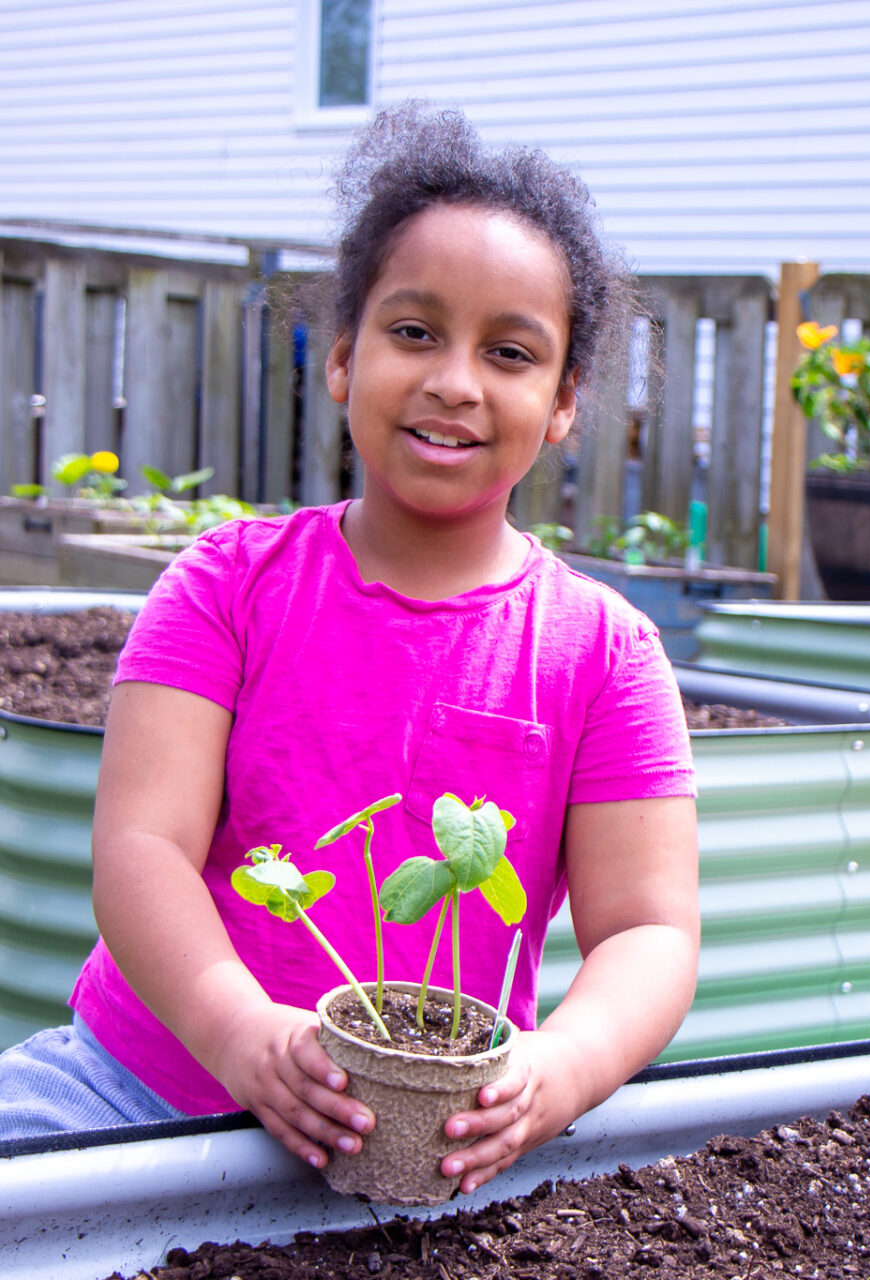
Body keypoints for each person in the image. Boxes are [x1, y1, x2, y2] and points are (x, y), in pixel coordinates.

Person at [0, 102, 700, 1198]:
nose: (454, 381)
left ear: (562, 403)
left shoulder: (604, 655)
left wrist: (557, 1069)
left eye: (508, 352)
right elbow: (140, 846)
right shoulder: (225, 587)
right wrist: (241, 1033)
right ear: (340, 358)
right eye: (413, 332)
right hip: (130, 1093)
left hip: (437, 1151)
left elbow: (649, 930)